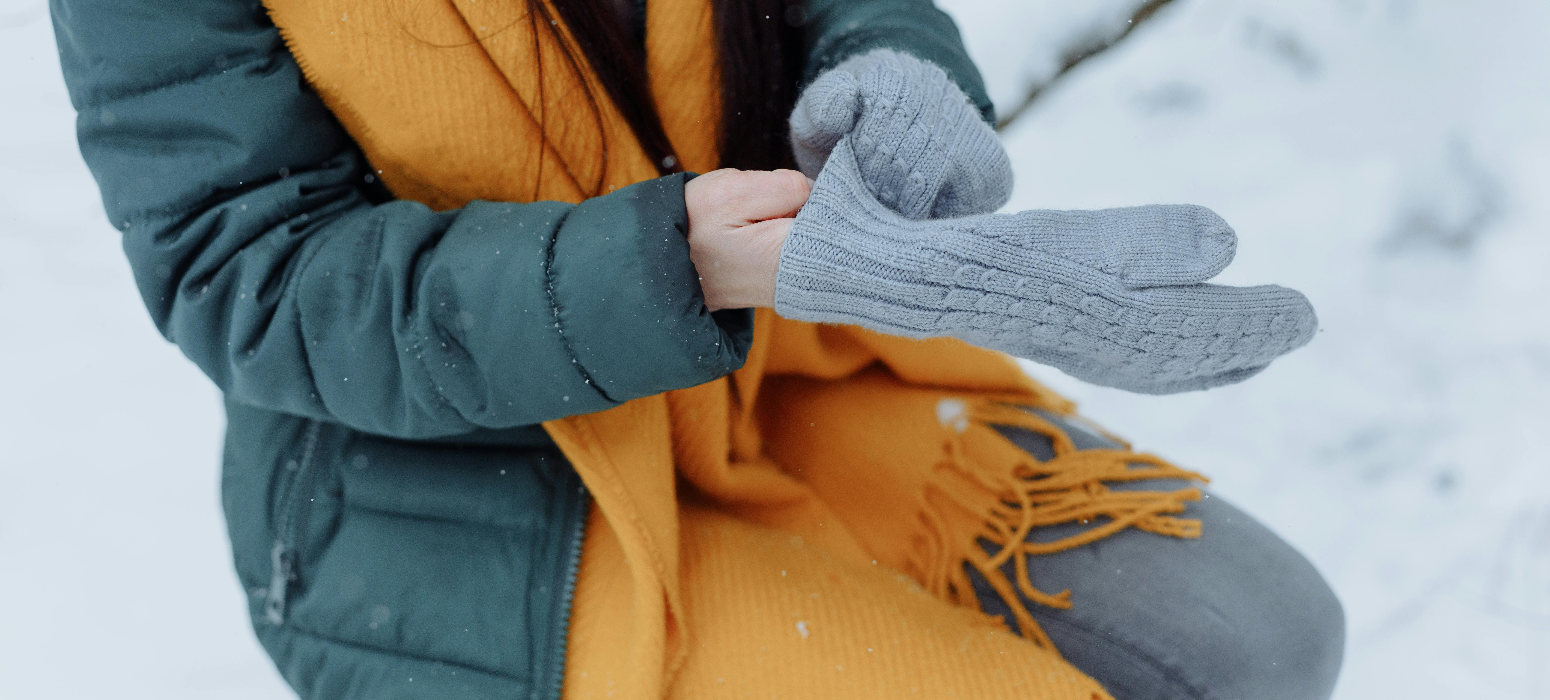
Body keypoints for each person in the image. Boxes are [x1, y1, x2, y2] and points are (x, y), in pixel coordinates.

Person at [50, 0, 1345, 698]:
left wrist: (883, 65)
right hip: (456, 510)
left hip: (792, 356)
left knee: (1260, 636)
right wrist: (666, 264)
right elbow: (250, 280)